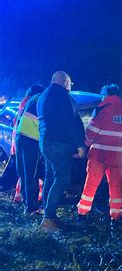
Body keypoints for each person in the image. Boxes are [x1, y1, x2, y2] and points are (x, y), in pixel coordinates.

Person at [77, 84, 122, 221]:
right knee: (116, 187)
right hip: (120, 157)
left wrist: (84, 145)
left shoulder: (102, 110)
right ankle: (116, 215)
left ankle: (82, 213)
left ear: (106, 95)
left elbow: (90, 133)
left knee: (91, 184)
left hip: (99, 155)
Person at [37, 71, 86, 232]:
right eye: (70, 84)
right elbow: (71, 122)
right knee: (62, 179)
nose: (70, 87)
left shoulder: (43, 95)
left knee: (50, 177)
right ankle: (48, 218)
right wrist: (80, 144)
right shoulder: (64, 97)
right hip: (59, 143)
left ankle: (49, 215)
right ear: (65, 82)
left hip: (46, 142)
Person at [14, 84, 45, 214]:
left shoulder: (27, 102)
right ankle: (32, 208)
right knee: (31, 174)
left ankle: (27, 203)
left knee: (24, 173)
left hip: (20, 139)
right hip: (31, 140)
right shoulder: (40, 100)